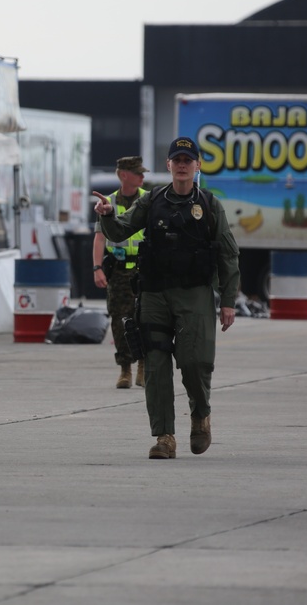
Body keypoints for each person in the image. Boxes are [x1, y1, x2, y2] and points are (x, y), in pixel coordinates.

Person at [93, 136, 240, 460]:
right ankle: (165, 437)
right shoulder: (152, 202)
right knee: (157, 368)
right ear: (169, 165)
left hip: (195, 296)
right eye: (178, 159)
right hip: (155, 294)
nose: (183, 164)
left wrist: (228, 301)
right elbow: (120, 231)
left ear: (198, 165)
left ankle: (200, 416)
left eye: (189, 159)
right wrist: (106, 214)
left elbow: (228, 255)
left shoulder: (210, 205)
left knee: (194, 363)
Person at [93, 155, 148, 389]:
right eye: (138, 172)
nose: (142, 176)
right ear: (124, 175)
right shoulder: (109, 202)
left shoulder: (149, 200)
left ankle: (143, 366)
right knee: (119, 320)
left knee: (146, 318)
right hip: (118, 270)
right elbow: (99, 238)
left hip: (144, 269)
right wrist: (97, 268)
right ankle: (125, 368)